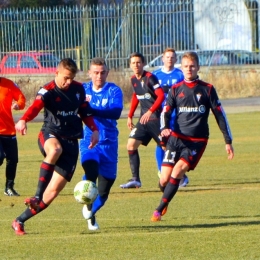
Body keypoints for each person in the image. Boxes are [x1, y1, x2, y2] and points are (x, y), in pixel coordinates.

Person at [11, 58, 99, 235]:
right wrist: (23, 120)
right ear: (56, 73)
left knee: (51, 193)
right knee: (55, 150)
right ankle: (36, 195)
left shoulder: (78, 89)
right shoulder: (48, 90)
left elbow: (84, 111)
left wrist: (94, 130)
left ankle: (19, 221)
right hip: (50, 134)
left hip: (71, 141)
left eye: (71, 78)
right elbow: (35, 107)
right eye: (65, 77)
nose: (68, 82)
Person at [151, 51, 234, 221]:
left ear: (198, 67)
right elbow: (165, 112)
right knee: (164, 179)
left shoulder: (207, 89)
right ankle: (166, 194)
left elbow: (220, 115)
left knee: (179, 170)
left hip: (197, 141)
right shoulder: (175, 89)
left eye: (192, 66)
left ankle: (159, 209)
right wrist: (164, 128)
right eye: (186, 66)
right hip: (176, 139)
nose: (189, 69)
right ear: (181, 68)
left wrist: (228, 140)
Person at [80, 57, 123, 230]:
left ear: (107, 73)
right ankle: (85, 193)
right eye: (95, 72)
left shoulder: (114, 91)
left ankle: (91, 212)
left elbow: (116, 112)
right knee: (90, 170)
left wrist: (93, 110)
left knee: (104, 192)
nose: (99, 76)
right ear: (89, 73)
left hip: (109, 144)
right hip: (89, 141)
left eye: (102, 72)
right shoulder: (82, 90)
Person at [120, 52, 165, 189]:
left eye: (138, 62)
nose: (136, 65)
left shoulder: (151, 78)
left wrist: (151, 111)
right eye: (133, 63)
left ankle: (180, 176)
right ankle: (136, 179)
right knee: (131, 145)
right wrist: (130, 115)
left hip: (156, 119)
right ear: (130, 65)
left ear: (143, 63)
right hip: (143, 121)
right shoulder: (134, 79)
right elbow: (136, 96)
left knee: (166, 147)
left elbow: (161, 96)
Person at [152, 47, 189, 187]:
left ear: (176, 59)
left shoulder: (180, 74)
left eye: (173, 57)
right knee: (160, 143)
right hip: (161, 116)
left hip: (177, 116)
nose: (170, 59)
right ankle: (162, 171)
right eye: (167, 57)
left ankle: (181, 175)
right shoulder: (155, 75)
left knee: (178, 144)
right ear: (163, 58)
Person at [0, 77, 26, 196]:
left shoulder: (9, 84)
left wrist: (18, 105)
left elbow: (21, 98)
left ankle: (9, 187)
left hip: (9, 130)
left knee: (13, 159)